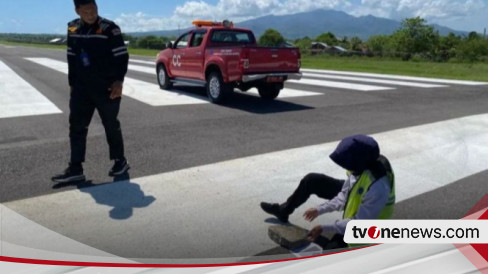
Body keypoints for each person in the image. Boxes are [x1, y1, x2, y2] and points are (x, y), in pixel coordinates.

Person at [260, 134, 395, 249]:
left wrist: (325, 227)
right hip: (359, 194)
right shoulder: (364, 162)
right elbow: (344, 195)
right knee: (312, 180)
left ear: (357, 163)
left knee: (330, 253)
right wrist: (320, 209)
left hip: (366, 230)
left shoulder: (378, 187)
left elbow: (358, 224)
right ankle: (283, 211)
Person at [52, 0, 130, 183]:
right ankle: (75, 167)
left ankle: (120, 161)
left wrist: (119, 80)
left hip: (107, 87)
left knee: (111, 124)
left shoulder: (109, 28)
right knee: (77, 127)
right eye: (86, 10)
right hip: (81, 88)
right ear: (77, 10)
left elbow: (122, 56)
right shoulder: (72, 28)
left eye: (93, 8)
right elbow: (71, 56)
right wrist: (71, 83)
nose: (91, 13)